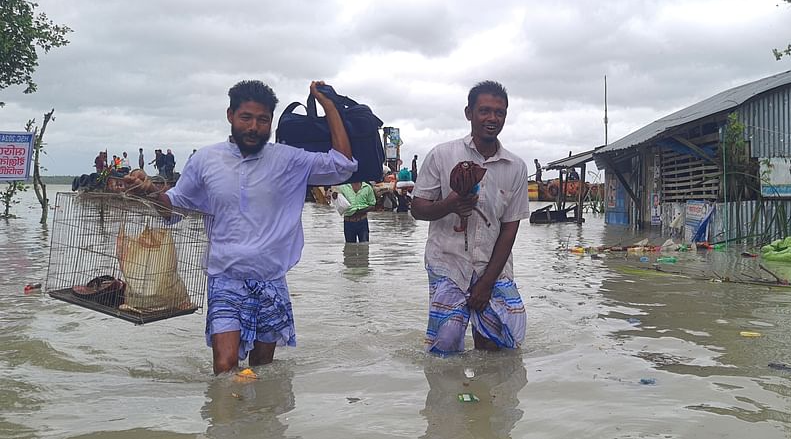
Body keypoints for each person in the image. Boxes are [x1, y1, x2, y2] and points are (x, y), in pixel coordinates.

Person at [124, 80, 356, 375]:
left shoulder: (288, 160)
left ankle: (256, 419)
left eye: (263, 120)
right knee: (225, 366)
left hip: (271, 279)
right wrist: (149, 193)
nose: (254, 127)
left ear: (271, 123)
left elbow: (342, 165)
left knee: (262, 369)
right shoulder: (205, 160)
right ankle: (227, 419)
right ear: (230, 115)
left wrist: (329, 105)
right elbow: (176, 205)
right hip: (225, 277)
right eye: (246, 117)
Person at [410, 80, 528, 355]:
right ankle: (450, 395)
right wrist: (450, 204)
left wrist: (486, 283)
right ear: (469, 113)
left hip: (492, 266)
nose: (492, 118)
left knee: (501, 343)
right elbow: (417, 208)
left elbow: (510, 229)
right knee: (446, 344)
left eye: (499, 112)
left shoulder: (516, 167)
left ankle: (486, 395)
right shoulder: (442, 155)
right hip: (448, 262)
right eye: (484, 110)